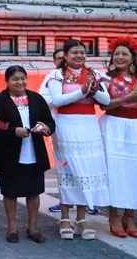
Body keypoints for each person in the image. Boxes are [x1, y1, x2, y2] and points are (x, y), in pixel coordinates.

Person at [47, 39, 110, 240]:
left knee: (86, 170)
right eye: (74, 52)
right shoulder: (57, 75)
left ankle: (82, 218)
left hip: (88, 126)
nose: (79, 56)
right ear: (65, 56)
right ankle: (65, 217)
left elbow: (106, 101)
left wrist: (94, 91)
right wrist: (81, 91)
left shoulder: (94, 74)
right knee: (68, 170)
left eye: (82, 53)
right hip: (66, 126)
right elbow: (57, 100)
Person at [0, 66, 55, 243]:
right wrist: (13, 131)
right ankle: (12, 228)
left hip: (34, 151)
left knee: (34, 191)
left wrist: (46, 128)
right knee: (10, 192)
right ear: (7, 82)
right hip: (9, 153)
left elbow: (49, 120)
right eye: (15, 79)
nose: (20, 82)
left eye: (23, 78)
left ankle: (32, 227)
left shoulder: (36, 98)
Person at [99, 37, 137, 238]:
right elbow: (104, 105)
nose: (120, 57)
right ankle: (114, 214)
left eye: (125, 54)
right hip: (113, 126)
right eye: (117, 54)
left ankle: (129, 215)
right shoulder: (105, 79)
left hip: (136, 127)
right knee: (114, 170)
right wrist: (127, 98)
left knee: (135, 170)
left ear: (132, 58)